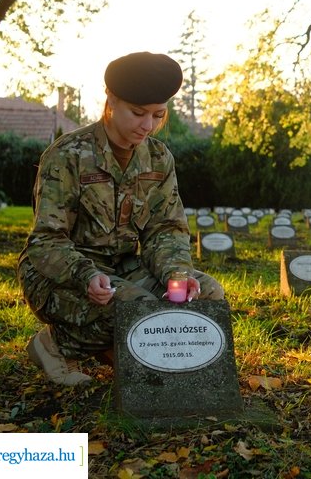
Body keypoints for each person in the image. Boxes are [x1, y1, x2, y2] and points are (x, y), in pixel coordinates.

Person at [18, 52, 225, 386]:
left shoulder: (159, 158)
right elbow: (46, 241)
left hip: (124, 266)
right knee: (138, 309)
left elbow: (165, 230)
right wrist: (86, 275)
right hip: (58, 273)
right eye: (138, 113)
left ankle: (127, 349)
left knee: (207, 294)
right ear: (111, 100)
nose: (148, 125)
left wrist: (178, 273)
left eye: (158, 115)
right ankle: (53, 345)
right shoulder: (68, 155)